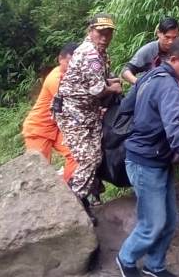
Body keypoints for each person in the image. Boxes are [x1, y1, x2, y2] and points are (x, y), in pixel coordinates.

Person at [116, 37, 179, 277]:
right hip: (145, 162)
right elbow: (175, 130)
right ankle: (125, 259)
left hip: (157, 159)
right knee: (152, 224)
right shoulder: (168, 85)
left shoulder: (151, 75)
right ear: (174, 59)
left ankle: (154, 266)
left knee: (169, 222)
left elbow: (126, 109)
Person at [55, 13, 122, 219]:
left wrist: (110, 84)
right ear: (90, 31)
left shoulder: (100, 52)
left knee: (96, 156)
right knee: (87, 160)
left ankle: (83, 197)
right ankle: (75, 204)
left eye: (108, 32)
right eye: (100, 32)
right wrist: (114, 88)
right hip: (73, 114)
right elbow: (97, 89)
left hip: (88, 112)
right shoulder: (90, 54)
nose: (104, 36)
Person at [22, 42, 78, 182]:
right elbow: (72, 104)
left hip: (56, 127)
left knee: (76, 154)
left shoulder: (72, 77)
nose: (74, 66)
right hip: (38, 129)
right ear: (61, 59)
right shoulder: (55, 79)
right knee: (39, 171)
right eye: (70, 62)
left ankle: (70, 191)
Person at [121, 17, 179, 85]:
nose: (171, 42)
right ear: (158, 33)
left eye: (174, 38)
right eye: (167, 37)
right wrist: (139, 83)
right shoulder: (149, 49)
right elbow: (125, 71)